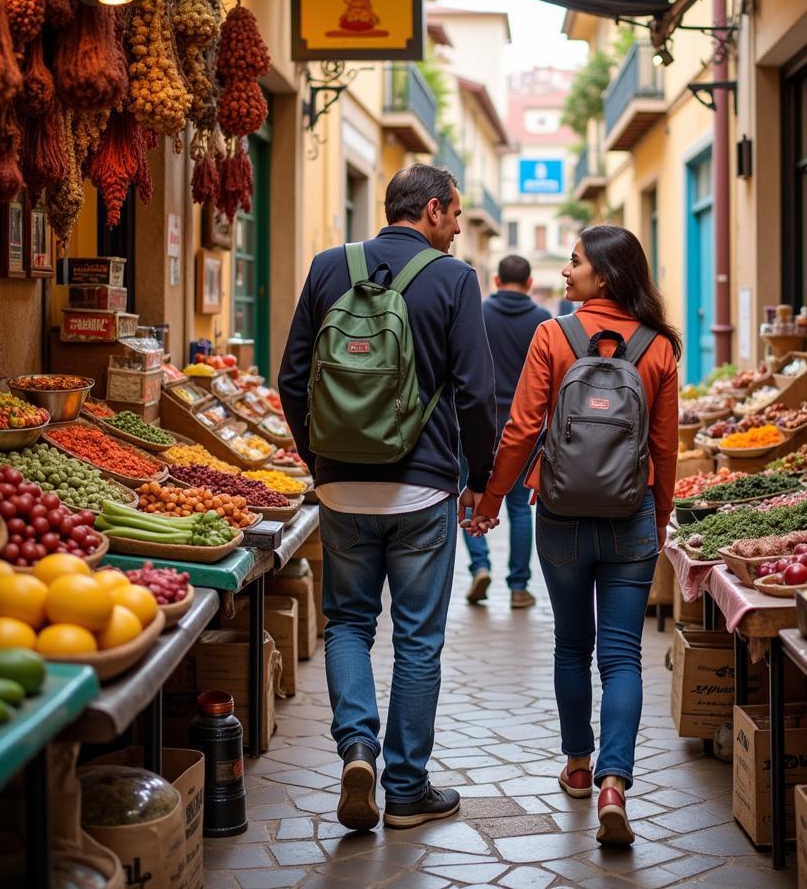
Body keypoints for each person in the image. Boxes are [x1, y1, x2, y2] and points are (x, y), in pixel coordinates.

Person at [278, 163, 497, 833]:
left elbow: (291, 376)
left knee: (346, 623)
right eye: (455, 216)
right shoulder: (453, 279)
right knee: (418, 640)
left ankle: (356, 749)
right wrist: (480, 476)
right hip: (422, 487)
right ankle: (405, 790)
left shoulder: (325, 266)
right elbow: (477, 393)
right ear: (432, 210)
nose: (458, 229)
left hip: (341, 484)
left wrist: (318, 458)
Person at [465, 224, 679, 846]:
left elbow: (521, 428)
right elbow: (664, 448)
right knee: (622, 656)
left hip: (558, 516)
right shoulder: (660, 347)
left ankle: (578, 766)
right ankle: (616, 782)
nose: (564, 271)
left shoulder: (553, 336)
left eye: (575, 261)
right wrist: (657, 518)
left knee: (570, 647)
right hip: (629, 515)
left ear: (603, 275)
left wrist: (491, 500)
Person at [462, 254, 550, 609]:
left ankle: (480, 566)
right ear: (529, 283)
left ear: (496, 280)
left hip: (479, 422)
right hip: (524, 426)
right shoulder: (543, 321)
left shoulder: (479, 314)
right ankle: (518, 586)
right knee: (517, 507)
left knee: (472, 493)